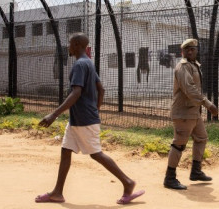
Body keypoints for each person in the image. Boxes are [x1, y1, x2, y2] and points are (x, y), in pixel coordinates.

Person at [35, 33, 144, 205]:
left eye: (70, 43)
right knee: (65, 151)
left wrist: (54, 114)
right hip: (79, 119)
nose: (68, 46)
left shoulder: (80, 65)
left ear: (77, 44)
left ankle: (127, 182)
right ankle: (57, 192)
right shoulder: (88, 63)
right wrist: (95, 109)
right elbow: (101, 90)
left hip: (84, 119)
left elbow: (76, 92)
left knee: (96, 154)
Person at [163, 38, 219, 190]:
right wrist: (208, 104)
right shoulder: (182, 67)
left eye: (192, 49)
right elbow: (190, 89)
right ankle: (169, 178)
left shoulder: (194, 66)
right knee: (179, 144)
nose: (190, 51)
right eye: (187, 49)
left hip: (193, 112)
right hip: (183, 113)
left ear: (196, 51)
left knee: (201, 138)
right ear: (182, 52)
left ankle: (195, 171)